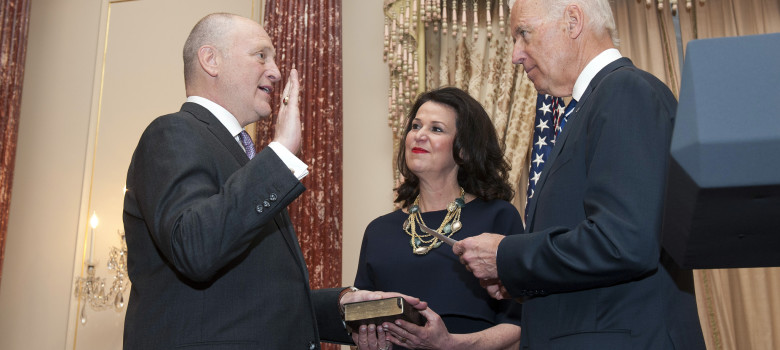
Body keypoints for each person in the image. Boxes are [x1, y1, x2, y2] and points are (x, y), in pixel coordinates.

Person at [122, 13, 423, 350]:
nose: (276, 71)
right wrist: (279, 153)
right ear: (211, 60)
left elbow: (255, 299)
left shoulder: (248, 160)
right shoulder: (172, 133)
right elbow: (195, 247)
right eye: (261, 55)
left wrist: (342, 308)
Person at [453, 0, 706, 349]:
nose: (516, 55)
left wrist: (507, 255)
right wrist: (519, 279)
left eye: (523, 34)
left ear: (572, 21)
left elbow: (623, 242)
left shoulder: (624, 92)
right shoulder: (592, 105)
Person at [352, 87, 523, 350]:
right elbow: (360, 320)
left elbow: (519, 325)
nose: (419, 135)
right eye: (416, 126)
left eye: (436, 129)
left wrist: (451, 345)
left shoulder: (498, 217)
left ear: (464, 149)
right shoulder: (378, 231)